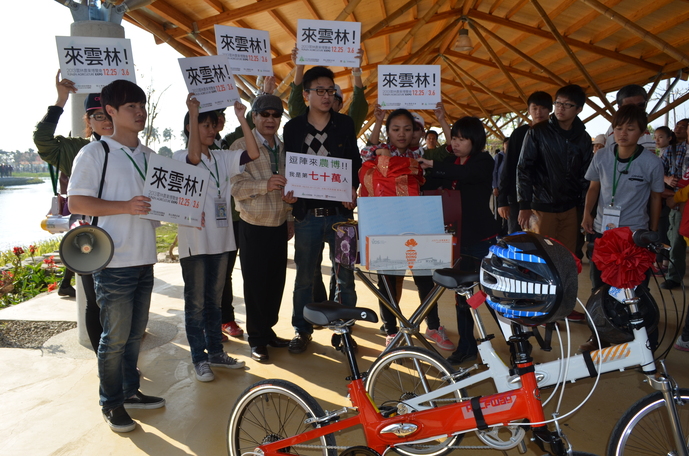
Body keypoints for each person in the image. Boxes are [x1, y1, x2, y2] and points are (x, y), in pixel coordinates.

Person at [68, 79, 164, 433]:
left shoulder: (150, 156)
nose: (139, 112)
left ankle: (129, 391)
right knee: (114, 338)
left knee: (134, 334)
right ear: (110, 111)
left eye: (141, 106)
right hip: (113, 261)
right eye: (130, 107)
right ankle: (110, 402)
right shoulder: (96, 153)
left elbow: (162, 204)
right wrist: (125, 206)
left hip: (144, 258)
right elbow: (76, 202)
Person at [174, 95, 260, 381]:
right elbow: (194, 158)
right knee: (196, 303)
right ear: (190, 128)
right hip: (195, 243)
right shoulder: (180, 157)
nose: (212, 130)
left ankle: (216, 352)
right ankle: (199, 358)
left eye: (214, 125)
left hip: (222, 240)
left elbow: (253, 153)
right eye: (205, 126)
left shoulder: (222, 157)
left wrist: (242, 117)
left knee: (214, 302)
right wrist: (193, 111)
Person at [360, 109, 455, 351]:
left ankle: (433, 326)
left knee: (425, 277)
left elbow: (450, 151)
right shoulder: (378, 151)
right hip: (385, 225)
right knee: (387, 281)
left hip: (416, 223)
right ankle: (391, 331)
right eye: (395, 129)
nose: (401, 134)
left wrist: (442, 120)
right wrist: (378, 127)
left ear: (415, 132)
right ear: (387, 132)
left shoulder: (419, 154)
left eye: (407, 129)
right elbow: (366, 151)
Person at [283, 66, 362, 354]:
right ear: (306, 95)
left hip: (341, 216)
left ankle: (344, 332)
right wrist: (289, 193)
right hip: (307, 217)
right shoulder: (293, 128)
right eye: (320, 91)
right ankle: (301, 330)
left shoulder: (344, 124)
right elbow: (290, 166)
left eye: (330, 90)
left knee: (345, 277)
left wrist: (352, 187)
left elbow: (354, 161)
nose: (327, 96)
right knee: (304, 277)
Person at [34, 71, 113, 352]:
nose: (106, 121)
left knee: (122, 301)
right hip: (90, 236)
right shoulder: (76, 149)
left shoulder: (134, 151)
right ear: (88, 121)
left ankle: (122, 358)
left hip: (125, 235)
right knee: (95, 301)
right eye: (98, 115)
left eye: (110, 114)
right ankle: (104, 360)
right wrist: (61, 100)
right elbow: (43, 140)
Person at [580, 104, 663, 351]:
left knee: (637, 290)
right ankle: (599, 337)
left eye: (630, 128)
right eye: (618, 128)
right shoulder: (601, 156)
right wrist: (586, 213)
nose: (623, 133)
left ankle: (643, 343)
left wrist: (652, 233)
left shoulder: (652, 162)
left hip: (634, 237)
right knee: (599, 287)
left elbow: (656, 198)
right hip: (603, 233)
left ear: (642, 132)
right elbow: (594, 187)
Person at [419, 117, 500, 365]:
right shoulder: (450, 163)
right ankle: (467, 346)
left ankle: (516, 341)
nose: (455, 143)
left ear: (475, 141)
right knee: (462, 296)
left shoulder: (483, 161)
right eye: (453, 138)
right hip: (457, 239)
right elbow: (430, 183)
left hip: (483, 238)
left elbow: (465, 174)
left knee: (493, 294)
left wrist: (433, 164)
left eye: (462, 139)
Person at [230, 94, 294, 363]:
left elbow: (291, 185)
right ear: (253, 116)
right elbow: (235, 187)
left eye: (276, 115)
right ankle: (256, 339)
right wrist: (265, 185)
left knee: (275, 283)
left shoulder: (284, 148)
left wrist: (290, 216)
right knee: (255, 284)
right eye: (264, 114)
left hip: (279, 224)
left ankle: (268, 331)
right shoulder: (240, 146)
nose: (270, 119)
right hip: (253, 224)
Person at [496, 91, 553, 234]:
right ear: (528, 110)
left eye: (543, 108)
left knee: (544, 239)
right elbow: (508, 167)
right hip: (518, 198)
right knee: (517, 238)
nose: (538, 112)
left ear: (550, 109)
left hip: (547, 200)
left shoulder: (555, 134)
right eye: (534, 108)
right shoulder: (519, 134)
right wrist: (502, 201)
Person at [660, 118, 689, 289]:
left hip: (681, 198)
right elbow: (658, 171)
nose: (679, 128)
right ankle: (674, 276)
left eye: (684, 126)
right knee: (676, 239)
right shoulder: (671, 149)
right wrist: (667, 180)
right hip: (677, 201)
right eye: (678, 125)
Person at [604, 85, 656, 152]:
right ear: (620, 108)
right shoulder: (613, 130)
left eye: (641, 105)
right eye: (629, 107)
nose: (636, 110)